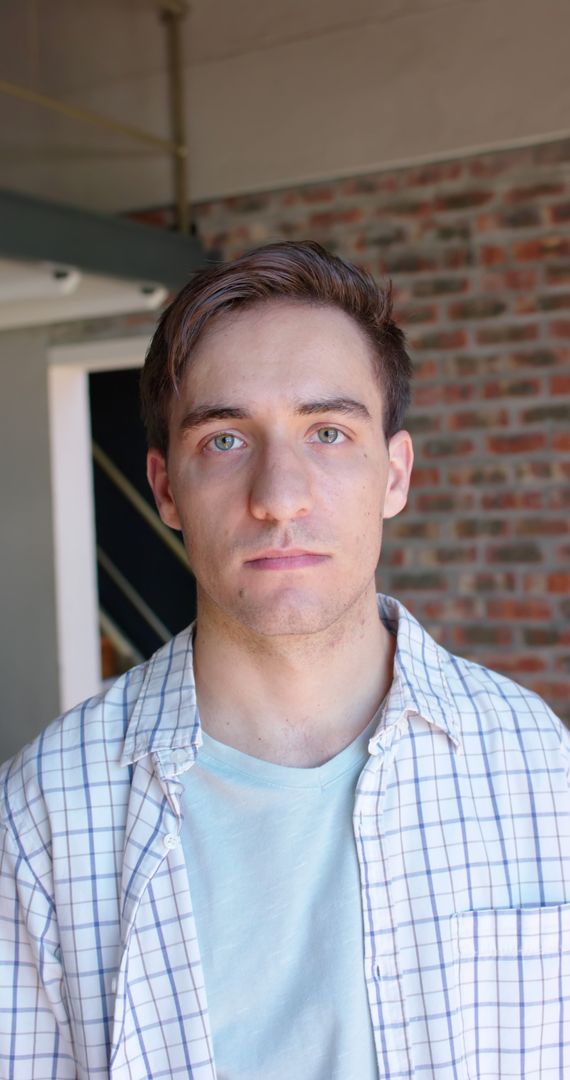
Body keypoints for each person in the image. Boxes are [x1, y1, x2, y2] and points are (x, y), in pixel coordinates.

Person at [0, 241, 568, 1080]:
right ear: (164, 487)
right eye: (225, 440)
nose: (279, 495)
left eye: (328, 432)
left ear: (395, 474)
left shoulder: (540, 770)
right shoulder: (45, 812)